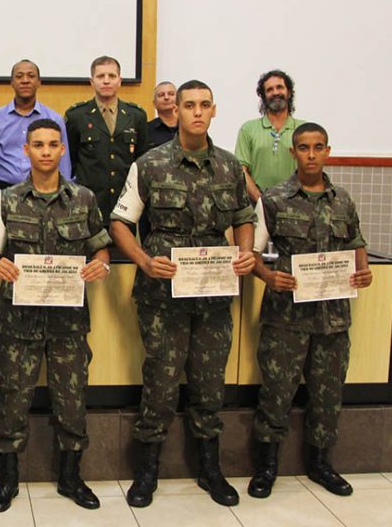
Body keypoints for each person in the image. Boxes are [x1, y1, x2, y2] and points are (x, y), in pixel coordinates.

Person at [110, 80, 256, 508]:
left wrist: (246, 252)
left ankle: (210, 469)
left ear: (214, 111)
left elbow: (245, 216)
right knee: (160, 380)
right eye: (189, 104)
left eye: (203, 105)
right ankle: (147, 470)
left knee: (211, 383)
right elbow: (120, 223)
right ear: (179, 110)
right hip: (163, 294)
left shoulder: (230, 168)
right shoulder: (151, 164)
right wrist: (142, 260)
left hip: (213, 294)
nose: (195, 111)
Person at [0, 118, 111, 512]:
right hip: (19, 323)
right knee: (13, 399)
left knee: (72, 400)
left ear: (62, 149)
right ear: (26, 150)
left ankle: (71, 477)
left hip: (68, 322)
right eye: (38, 145)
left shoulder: (83, 198)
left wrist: (100, 266)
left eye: (53, 144)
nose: (46, 151)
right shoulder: (9, 198)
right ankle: (7, 479)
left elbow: (100, 248)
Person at [248, 122, 372, 499]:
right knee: (276, 392)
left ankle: (321, 464)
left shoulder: (343, 200)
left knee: (327, 393)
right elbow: (251, 254)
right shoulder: (273, 199)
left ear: (328, 151)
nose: (312, 154)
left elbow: (355, 245)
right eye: (304, 148)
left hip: (332, 318)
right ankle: (266, 466)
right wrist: (269, 277)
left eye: (318, 147)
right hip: (286, 317)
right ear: (293, 152)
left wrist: (362, 272)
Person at [0, 60, 71, 221]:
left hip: (46, 193)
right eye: (19, 76)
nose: (25, 80)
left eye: (31, 76)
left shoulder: (55, 119)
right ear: (12, 83)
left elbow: (63, 166)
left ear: (39, 82)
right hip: (6, 190)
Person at [65, 55, 147, 227]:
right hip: (89, 203)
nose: (106, 81)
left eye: (112, 76)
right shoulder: (76, 116)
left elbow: (141, 162)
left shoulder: (136, 116)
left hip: (126, 204)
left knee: (124, 252)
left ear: (120, 81)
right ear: (91, 82)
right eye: (100, 76)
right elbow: (70, 162)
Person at [235, 70, 307, 202]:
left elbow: (310, 168)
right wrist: (260, 199)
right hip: (257, 204)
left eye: (280, 87)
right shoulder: (248, 129)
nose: (275, 93)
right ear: (263, 96)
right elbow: (241, 171)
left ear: (289, 92)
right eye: (269, 90)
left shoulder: (303, 130)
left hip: (295, 205)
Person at [146, 81, 178, 150]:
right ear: (154, 103)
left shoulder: (189, 127)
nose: (166, 97)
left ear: (179, 100)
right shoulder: (146, 130)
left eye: (171, 94)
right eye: (161, 95)